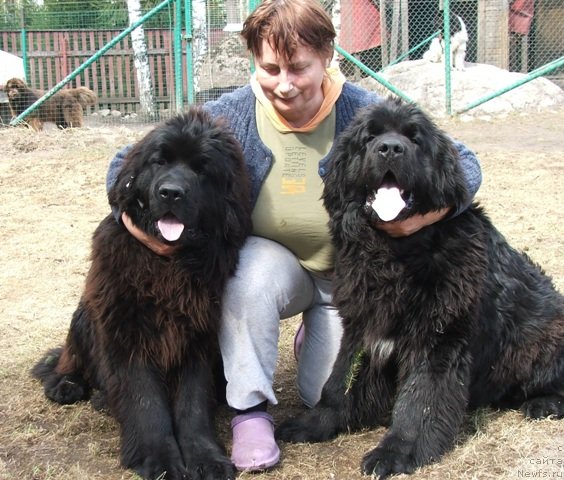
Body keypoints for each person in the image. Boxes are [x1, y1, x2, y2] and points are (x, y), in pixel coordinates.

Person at [106, 0, 482, 472]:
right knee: (247, 273)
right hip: (279, 268)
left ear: (327, 56)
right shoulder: (233, 114)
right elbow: (127, 163)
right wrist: (132, 223)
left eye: (299, 67)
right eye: (270, 68)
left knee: (327, 395)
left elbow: (465, 163)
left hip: (352, 285)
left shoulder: (365, 112)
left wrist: (422, 219)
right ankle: (249, 413)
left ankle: (315, 333)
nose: (284, 83)